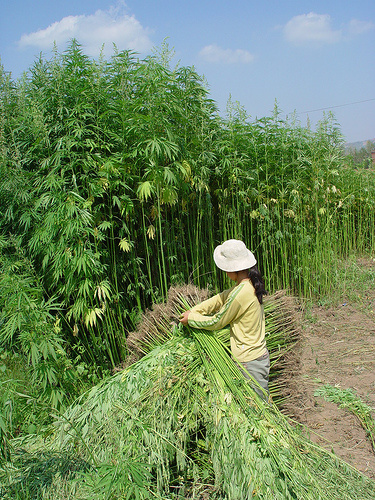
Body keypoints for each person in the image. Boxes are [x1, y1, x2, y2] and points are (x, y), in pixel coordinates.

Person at [179, 239, 269, 401]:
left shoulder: (241, 294)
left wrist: (191, 319)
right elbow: (221, 298)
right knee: (256, 407)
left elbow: (217, 321)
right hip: (258, 356)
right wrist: (195, 310)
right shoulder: (247, 285)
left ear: (233, 268)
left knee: (257, 411)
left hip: (249, 362)